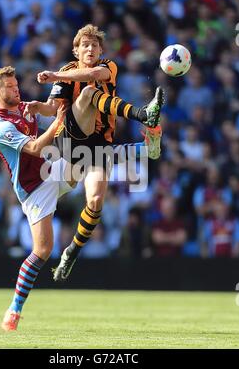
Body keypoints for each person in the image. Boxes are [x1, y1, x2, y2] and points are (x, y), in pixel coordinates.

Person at [0, 65, 154, 331]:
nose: (16, 88)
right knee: (42, 251)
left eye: (16, 83)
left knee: (89, 156)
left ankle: (145, 149)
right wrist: (57, 123)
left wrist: (52, 107)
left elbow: (49, 113)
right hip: (33, 189)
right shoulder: (0, 126)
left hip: (51, 168)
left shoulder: (23, 108)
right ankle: (14, 309)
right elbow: (32, 148)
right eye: (10, 86)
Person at [26, 24, 164, 282]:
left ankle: (71, 253)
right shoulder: (67, 71)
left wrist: (54, 75)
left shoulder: (108, 66)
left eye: (95, 45)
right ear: (75, 50)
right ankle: (143, 116)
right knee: (89, 92)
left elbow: (95, 72)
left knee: (95, 201)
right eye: (85, 45)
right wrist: (38, 107)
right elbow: (51, 107)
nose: (90, 49)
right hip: (69, 139)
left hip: (98, 145)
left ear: (101, 50)